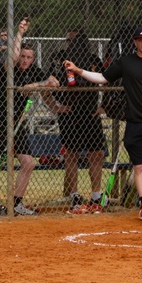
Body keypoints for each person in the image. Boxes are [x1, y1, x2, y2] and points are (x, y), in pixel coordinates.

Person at [63, 24, 142, 225]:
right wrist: (78, 70)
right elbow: (103, 78)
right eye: (140, 40)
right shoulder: (126, 62)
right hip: (135, 122)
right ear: (135, 42)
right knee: (139, 165)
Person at [0, 18, 60, 216]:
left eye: (29, 57)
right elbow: (27, 85)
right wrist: (20, 33)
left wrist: (56, 106)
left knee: (29, 162)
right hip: (0, 121)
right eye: (23, 56)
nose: (25, 60)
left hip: (18, 123)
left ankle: (16, 203)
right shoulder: (8, 70)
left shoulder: (34, 70)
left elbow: (46, 89)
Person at [50, 29, 106, 214]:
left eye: (75, 41)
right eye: (69, 41)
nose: (71, 45)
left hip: (90, 113)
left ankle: (96, 194)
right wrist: (57, 106)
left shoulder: (93, 59)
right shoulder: (59, 59)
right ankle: (74, 194)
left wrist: (103, 106)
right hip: (69, 113)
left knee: (96, 153)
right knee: (71, 154)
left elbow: (107, 81)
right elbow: (49, 84)